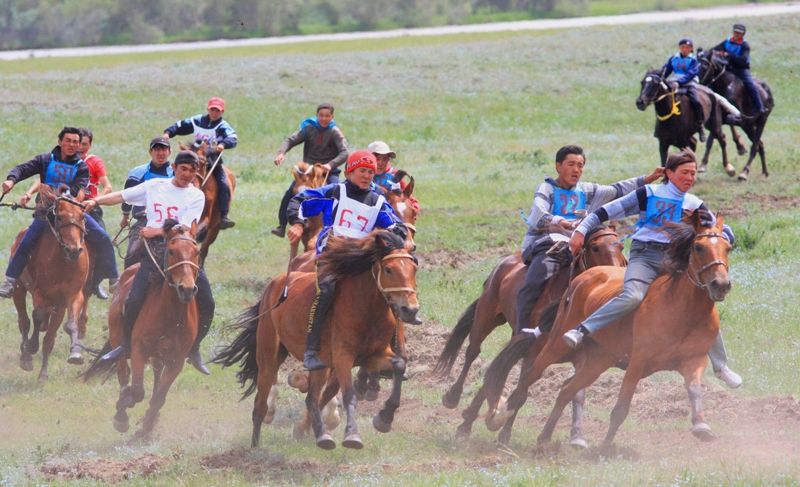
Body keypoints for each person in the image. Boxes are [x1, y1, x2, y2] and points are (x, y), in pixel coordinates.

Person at [562, 148, 742, 388]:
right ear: (669, 173)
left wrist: (725, 236)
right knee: (633, 295)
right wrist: (581, 230)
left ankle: (721, 367)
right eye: (684, 173)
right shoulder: (649, 193)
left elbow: (717, 230)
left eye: (693, 173)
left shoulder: (694, 203)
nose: (690, 178)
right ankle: (583, 330)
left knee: (703, 303)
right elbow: (606, 211)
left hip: (674, 261)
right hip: (645, 257)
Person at [85, 150, 214, 375]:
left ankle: (194, 348)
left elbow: (183, 228)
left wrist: (155, 230)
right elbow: (122, 196)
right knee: (133, 298)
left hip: (182, 251)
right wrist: (96, 200)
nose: (188, 174)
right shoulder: (155, 186)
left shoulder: (196, 195)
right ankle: (125, 344)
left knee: (208, 301)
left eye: (193, 171)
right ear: (174, 167)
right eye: (184, 169)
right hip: (155, 252)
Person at [516, 145, 663, 336]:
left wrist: (646, 180)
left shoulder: (588, 190)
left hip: (580, 242)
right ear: (558, 166)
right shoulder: (546, 188)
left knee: (610, 249)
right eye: (571, 164)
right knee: (533, 283)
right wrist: (561, 222)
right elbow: (538, 214)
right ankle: (520, 332)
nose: (576, 169)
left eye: (580, 165)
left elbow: (616, 190)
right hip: (548, 243)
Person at [286, 150, 407, 371]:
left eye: (371, 172)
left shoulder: (378, 202)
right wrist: (297, 223)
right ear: (350, 171)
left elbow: (397, 228)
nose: (367, 176)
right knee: (327, 290)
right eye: (362, 171)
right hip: (333, 256)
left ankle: (388, 352)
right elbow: (300, 201)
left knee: (389, 293)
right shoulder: (335, 192)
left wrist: (385, 239)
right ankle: (312, 350)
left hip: (362, 259)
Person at [0, 127, 119, 299]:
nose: (72, 145)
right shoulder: (45, 160)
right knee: (26, 241)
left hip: (72, 213)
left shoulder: (82, 167)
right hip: (47, 213)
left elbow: (78, 189)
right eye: (68, 141)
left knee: (103, 238)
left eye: (76, 142)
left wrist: (56, 196)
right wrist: (11, 180)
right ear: (60, 142)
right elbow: (23, 169)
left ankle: (114, 279)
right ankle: (10, 281)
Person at [272, 103, 348, 238]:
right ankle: (282, 225)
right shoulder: (308, 128)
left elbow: (344, 152)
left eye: (327, 116)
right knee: (290, 193)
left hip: (328, 172)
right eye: (321, 115)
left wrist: (330, 165)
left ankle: (338, 228)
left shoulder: (335, 132)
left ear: (332, 117)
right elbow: (290, 140)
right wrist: (281, 153)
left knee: (338, 193)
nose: (323, 119)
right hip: (308, 171)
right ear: (317, 115)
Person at [163, 97, 237, 229]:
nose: (215, 113)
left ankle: (223, 215)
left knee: (223, 182)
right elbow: (181, 126)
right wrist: (168, 133)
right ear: (208, 109)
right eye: (212, 109)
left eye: (218, 111)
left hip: (212, 160)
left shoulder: (222, 126)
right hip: (194, 156)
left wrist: (223, 144)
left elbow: (232, 137)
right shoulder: (197, 121)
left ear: (222, 111)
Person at [120, 136, 175, 269]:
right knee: (132, 252)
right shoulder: (137, 172)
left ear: (170, 152)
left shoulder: (175, 173)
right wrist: (126, 216)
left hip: (170, 222)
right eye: (156, 149)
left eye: (164, 149)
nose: (160, 153)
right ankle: (124, 284)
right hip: (143, 221)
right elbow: (128, 195)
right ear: (150, 152)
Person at [712, 23, 766, 115]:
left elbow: (743, 60)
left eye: (739, 33)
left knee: (750, 85)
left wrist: (729, 55)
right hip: (727, 69)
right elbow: (714, 50)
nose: (737, 35)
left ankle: (759, 106)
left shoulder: (745, 45)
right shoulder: (727, 41)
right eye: (735, 32)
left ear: (743, 34)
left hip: (741, 70)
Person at [662, 38, 706, 142]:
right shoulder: (674, 58)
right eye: (682, 47)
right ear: (679, 48)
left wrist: (680, 82)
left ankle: (700, 123)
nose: (685, 49)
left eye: (687, 48)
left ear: (691, 49)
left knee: (696, 101)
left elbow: (691, 73)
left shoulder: (693, 60)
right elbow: (667, 69)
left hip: (688, 84)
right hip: (674, 83)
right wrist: (660, 76)